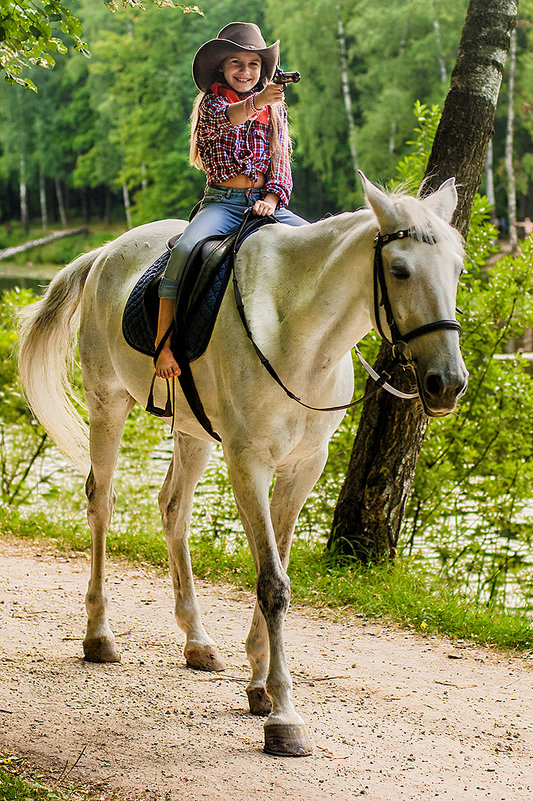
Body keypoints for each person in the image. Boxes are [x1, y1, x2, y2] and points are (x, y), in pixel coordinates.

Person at [154, 22, 308, 378]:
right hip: (222, 203)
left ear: (262, 70)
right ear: (222, 69)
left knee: (317, 244)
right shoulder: (213, 103)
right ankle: (164, 345)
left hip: (266, 203)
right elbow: (228, 120)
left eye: (253, 64)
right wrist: (258, 102)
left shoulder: (275, 109)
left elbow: (280, 160)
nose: (245, 71)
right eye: (236, 63)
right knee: (183, 251)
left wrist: (272, 197)